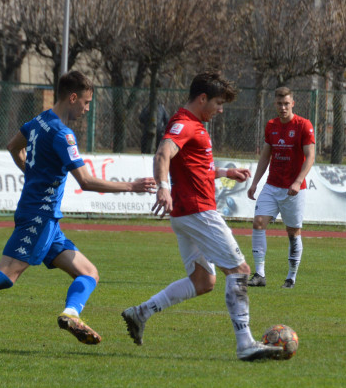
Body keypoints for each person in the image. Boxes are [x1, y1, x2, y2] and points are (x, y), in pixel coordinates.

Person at [0, 71, 155, 349]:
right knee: (6, 274)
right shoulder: (64, 135)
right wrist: (131, 186)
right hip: (39, 216)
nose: (87, 109)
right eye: (86, 102)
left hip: (47, 219)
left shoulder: (38, 120)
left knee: (89, 273)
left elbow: (13, 146)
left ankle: (71, 314)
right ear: (72, 97)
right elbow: (85, 181)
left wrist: (32, 172)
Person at [121, 71, 284, 361]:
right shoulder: (185, 123)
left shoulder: (192, 124)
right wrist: (162, 188)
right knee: (241, 271)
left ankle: (141, 312)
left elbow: (194, 167)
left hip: (186, 214)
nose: (221, 110)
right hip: (198, 211)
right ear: (202, 98)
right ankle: (246, 344)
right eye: (219, 103)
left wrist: (225, 172)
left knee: (203, 281)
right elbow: (162, 155)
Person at [246, 86, 316, 289]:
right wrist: (255, 183)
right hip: (272, 185)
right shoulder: (271, 125)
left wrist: (297, 180)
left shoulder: (304, 125)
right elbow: (265, 156)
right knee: (258, 222)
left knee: (293, 232)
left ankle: (291, 277)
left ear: (293, 103)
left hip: (294, 189)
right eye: (279, 103)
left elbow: (310, 157)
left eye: (286, 103)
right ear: (275, 104)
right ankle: (259, 274)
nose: (283, 107)